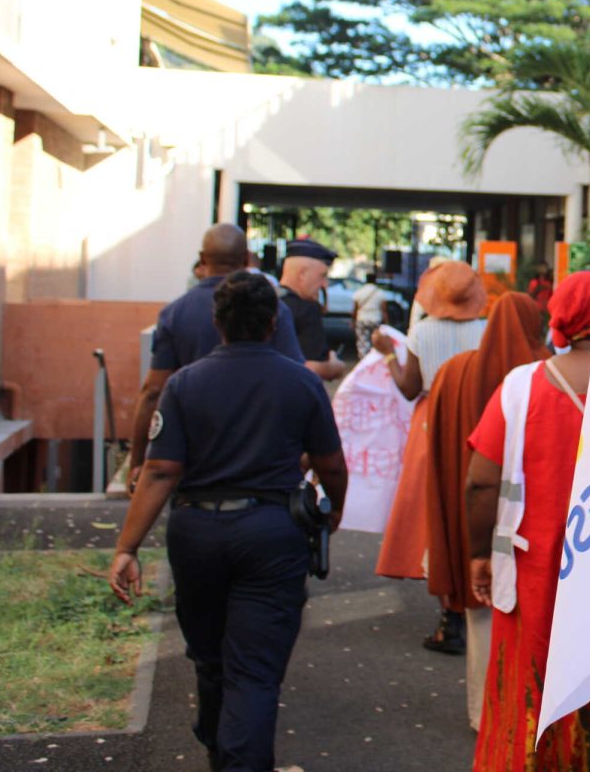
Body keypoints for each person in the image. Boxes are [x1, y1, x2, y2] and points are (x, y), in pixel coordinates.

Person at [108, 271, 348, 772]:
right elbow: (331, 465)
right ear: (273, 323)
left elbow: (159, 471)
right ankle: (236, 756)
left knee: (210, 657)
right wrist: (334, 510)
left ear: (218, 322)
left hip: (196, 534)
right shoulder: (301, 382)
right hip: (272, 534)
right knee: (254, 672)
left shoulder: (184, 384)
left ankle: (221, 748)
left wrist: (127, 548)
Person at [465, 271, 590, 771]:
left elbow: (480, 482)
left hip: (535, 575)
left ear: (562, 317)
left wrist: (479, 555)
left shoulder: (520, 388)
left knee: (530, 689)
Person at [423, 291, 548, 729]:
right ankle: (529, 716)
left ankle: (485, 714)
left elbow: (443, 456)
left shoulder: (454, 372)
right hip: (534, 527)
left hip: (471, 519)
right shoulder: (547, 377)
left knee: (481, 619)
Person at [129, 224, 305, 490]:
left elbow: (153, 391)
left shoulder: (175, 313)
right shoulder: (273, 309)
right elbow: (296, 382)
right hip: (262, 456)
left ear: (202, 259)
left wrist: (137, 462)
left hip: (196, 455)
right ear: (245, 258)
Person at [372, 260, 488, 653]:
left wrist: (389, 355)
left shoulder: (422, 331)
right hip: (478, 422)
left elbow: (409, 388)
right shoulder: (486, 331)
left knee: (436, 515)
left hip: (432, 424)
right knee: (472, 509)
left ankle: (448, 615)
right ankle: (475, 601)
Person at [278, 239, 345, 381]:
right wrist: (335, 366)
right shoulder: (306, 309)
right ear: (302, 274)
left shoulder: (265, 301)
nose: (325, 284)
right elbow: (310, 368)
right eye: (322, 276)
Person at [351, 273, 385, 358]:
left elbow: (355, 309)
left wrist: (353, 321)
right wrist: (386, 324)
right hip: (376, 319)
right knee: (376, 342)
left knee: (363, 343)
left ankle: (364, 359)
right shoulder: (380, 293)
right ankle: (374, 359)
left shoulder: (359, 292)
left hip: (362, 319)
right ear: (375, 280)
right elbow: (384, 311)